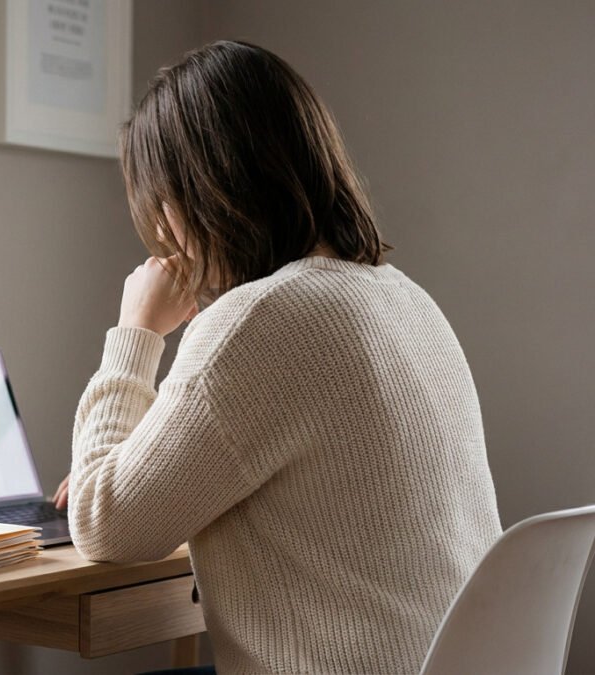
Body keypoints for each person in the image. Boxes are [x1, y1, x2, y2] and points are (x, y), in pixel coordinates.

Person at [51, 41, 501, 674]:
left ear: (191, 196)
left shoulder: (260, 321)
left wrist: (135, 332)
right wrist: (137, 462)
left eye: (161, 207)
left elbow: (104, 526)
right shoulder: (403, 297)